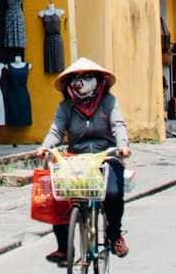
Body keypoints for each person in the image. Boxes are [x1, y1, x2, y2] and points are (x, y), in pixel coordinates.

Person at [40, 58, 131, 262]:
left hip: (106, 155)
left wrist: (123, 146)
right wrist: (45, 147)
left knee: (113, 192)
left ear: (98, 81)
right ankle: (64, 247)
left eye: (87, 77)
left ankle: (114, 234)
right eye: (76, 78)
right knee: (58, 195)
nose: (80, 82)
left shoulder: (109, 102)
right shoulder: (66, 106)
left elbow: (118, 125)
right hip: (77, 159)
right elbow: (56, 130)